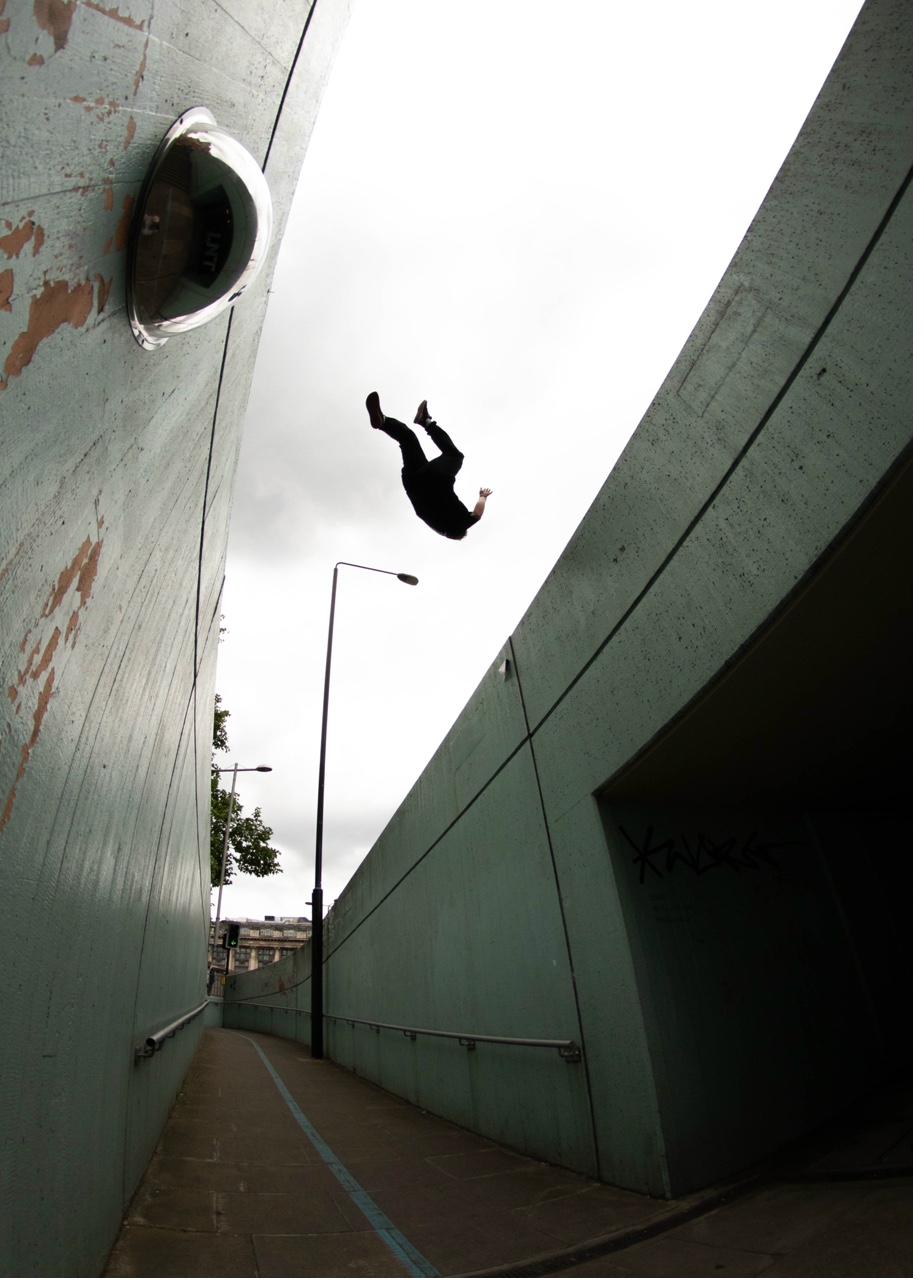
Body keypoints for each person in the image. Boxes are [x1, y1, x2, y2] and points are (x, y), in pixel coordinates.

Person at [366, 392, 492, 540]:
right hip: (412, 480)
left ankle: (426, 422)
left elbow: (477, 514)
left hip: (434, 480)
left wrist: (483, 497)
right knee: (407, 439)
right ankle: (383, 422)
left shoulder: (460, 525)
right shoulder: (435, 524)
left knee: (455, 456)